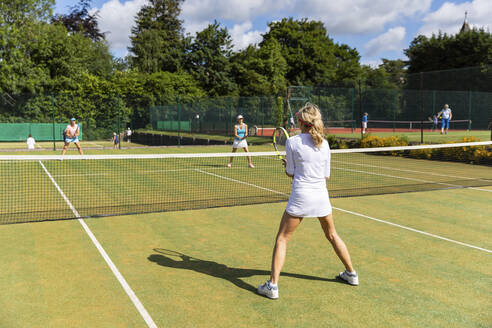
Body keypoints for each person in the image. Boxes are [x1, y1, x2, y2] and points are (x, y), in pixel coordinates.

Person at [257, 104, 358, 300]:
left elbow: (291, 173)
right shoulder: (325, 144)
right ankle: (351, 274)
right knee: (332, 234)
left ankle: (272, 286)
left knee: (282, 238)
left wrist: (288, 166)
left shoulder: (293, 143)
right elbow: (325, 176)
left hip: (301, 197)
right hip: (321, 196)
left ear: (302, 122)